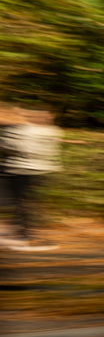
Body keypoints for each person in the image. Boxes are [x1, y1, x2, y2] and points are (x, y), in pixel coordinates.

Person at [1, 107, 63, 251]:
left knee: (18, 202)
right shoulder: (53, 130)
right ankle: (18, 232)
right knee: (22, 202)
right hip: (40, 170)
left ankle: (23, 235)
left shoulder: (25, 129)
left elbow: (16, 148)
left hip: (20, 169)